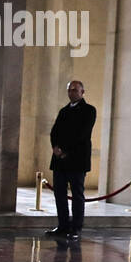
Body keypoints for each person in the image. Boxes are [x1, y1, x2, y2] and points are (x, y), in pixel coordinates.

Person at [46, 80, 97, 242]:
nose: (72, 93)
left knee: (77, 194)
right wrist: (55, 147)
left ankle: (76, 227)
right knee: (59, 194)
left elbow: (82, 134)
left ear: (83, 92)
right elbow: (54, 131)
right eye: (70, 90)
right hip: (60, 160)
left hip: (77, 159)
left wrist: (65, 150)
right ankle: (63, 225)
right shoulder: (64, 111)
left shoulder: (89, 110)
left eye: (75, 90)